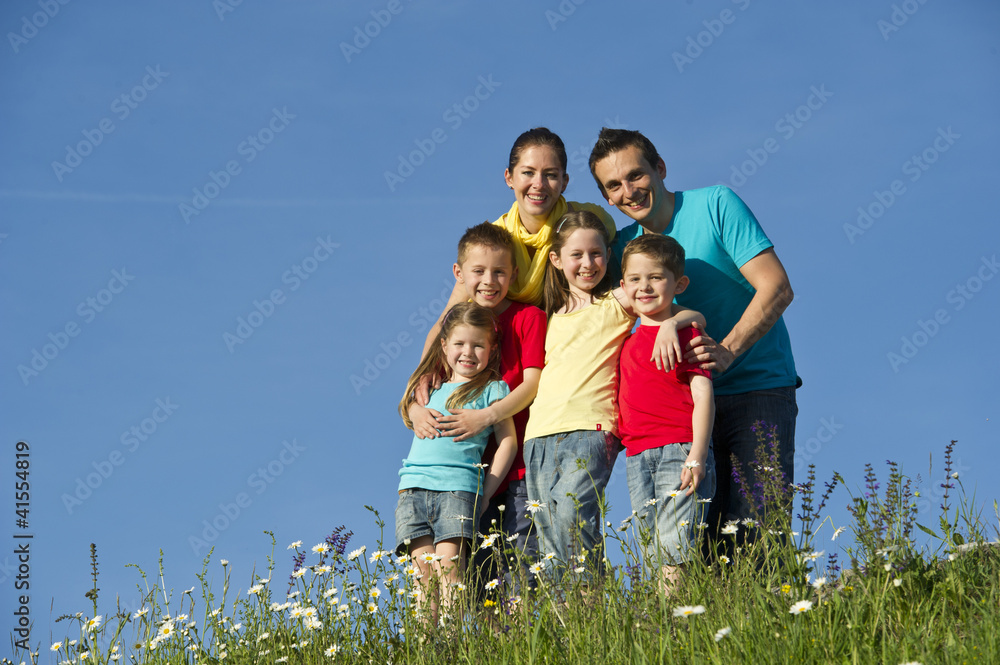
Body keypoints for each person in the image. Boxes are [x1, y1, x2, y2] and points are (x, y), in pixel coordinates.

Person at [589, 128, 799, 550]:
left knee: (757, 533)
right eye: (614, 185)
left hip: (755, 387)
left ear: (660, 168)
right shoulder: (620, 252)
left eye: (636, 175)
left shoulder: (716, 204)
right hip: (674, 419)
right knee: (692, 549)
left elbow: (777, 287)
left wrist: (727, 351)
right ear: (607, 198)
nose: (629, 191)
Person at [523, 211, 704, 582]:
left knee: (574, 515)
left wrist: (673, 323)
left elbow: (681, 308)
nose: (587, 264)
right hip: (538, 433)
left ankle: (590, 604)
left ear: (607, 255)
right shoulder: (547, 315)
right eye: (576, 255)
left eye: (596, 254)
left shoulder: (614, 302)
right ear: (556, 260)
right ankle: (571, 625)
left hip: (592, 427)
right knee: (548, 530)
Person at [407, 223, 546, 589]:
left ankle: (520, 644)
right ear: (459, 274)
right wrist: (414, 411)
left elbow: (533, 382)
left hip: (513, 466)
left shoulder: (527, 317)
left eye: (499, 271)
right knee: (475, 578)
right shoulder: (457, 329)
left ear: (514, 274)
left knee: (516, 570)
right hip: (456, 474)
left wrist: (486, 415)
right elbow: (419, 388)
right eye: (479, 271)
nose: (489, 280)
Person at [421, 128, 618, 359]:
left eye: (551, 175)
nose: (539, 184)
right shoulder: (493, 243)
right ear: (509, 178)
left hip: (575, 353)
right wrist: (419, 378)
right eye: (528, 173)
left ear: (564, 182)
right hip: (508, 358)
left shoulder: (587, 227)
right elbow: (448, 317)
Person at [395, 302, 517, 619]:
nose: (468, 352)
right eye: (460, 344)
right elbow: (408, 405)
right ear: (445, 345)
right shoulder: (430, 386)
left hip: (458, 490)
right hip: (413, 489)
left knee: (450, 571)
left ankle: (450, 646)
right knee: (423, 575)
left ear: (491, 350)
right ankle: (425, 649)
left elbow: (508, 442)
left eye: (478, 345)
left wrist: (487, 489)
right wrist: (415, 410)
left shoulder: (493, 389)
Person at [617, 234, 715, 588]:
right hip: (637, 456)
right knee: (652, 548)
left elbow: (703, 394)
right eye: (635, 279)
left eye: (656, 277)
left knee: (675, 547)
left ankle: (673, 625)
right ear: (623, 285)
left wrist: (697, 454)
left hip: (678, 449)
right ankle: (665, 621)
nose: (644, 286)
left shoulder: (685, 333)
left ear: (679, 284)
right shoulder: (626, 338)